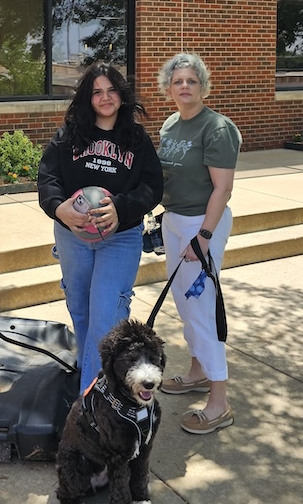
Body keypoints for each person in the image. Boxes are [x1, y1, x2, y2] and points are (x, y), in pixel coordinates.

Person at [38, 63, 164, 393]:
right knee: (80, 309)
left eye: (111, 90)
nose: (105, 98)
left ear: (121, 96)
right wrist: (59, 208)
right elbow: (47, 178)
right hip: (73, 237)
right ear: (87, 98)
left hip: (119, 239)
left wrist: (121, 208)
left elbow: (153, 187)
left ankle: (91, 400)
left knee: (106, 316)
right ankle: (93, 373)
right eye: (97, 91)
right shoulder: (69, 134)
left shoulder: (136, 139)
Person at [156, 53, 242, 434]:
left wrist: (203, 237)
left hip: (201, 224)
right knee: (184, 305)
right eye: (178, 81)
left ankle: (219, 400)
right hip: (174, 221)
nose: (185, 87)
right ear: (168, 88)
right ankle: (197, 371)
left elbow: (222, 188)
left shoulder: (217, 128)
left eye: (192, 80)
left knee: (202, 308)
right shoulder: (171, 124)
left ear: (203, 86)